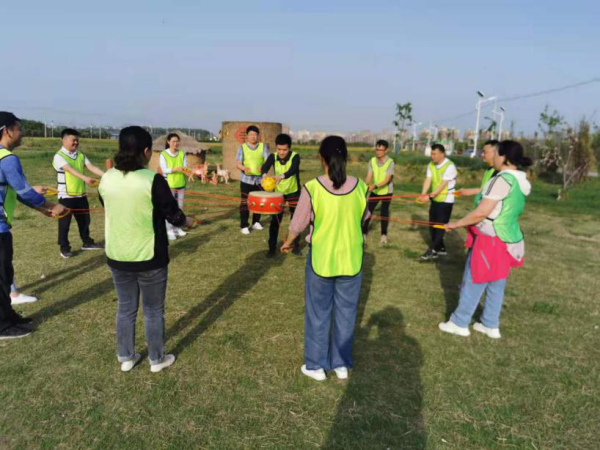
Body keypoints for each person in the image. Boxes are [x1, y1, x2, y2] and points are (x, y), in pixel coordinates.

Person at [98, 126, 194, 373]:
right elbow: (173, 214)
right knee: (152, 311)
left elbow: (107, 203)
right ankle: (156, 359)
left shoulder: (107, 178)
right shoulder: (153, 180)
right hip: (150, 258)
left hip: (118, 256)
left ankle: (126, 357)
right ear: (145, 151)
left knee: (125, 308)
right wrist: (188, 222)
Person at [281, 136, 368, 381]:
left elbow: (297, 224)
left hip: (321, 260)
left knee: (318, 313)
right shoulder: (361, 186)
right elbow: (364, 217)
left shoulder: (312, 187)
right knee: (346, 313)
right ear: (346, 157)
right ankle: (341, 364)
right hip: (351, 260)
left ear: (321, 158)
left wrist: (288, 242)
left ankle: (315, 365)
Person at [439, 140, 532, 339]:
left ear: (504, 157)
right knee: (496, 283)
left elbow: (482, 212)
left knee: (474, 280)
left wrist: (456, 223)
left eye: (497, 154)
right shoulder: (520, 180)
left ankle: (459, 322)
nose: (494, 157)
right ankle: (490, 324)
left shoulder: (502, 180)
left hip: (490, 239)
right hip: (507, 239)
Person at [0, 112, 66, 339]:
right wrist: (52, 205)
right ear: (7, 131)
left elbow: (16, 192)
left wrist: (42, 209)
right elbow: (25, 192)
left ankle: (8, 316)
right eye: (18, 129)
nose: (22, 133)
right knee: (2, 277)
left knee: (5, 274)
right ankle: (3, 326)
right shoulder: (7, 159)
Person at [53, 128, 104, 258]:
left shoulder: (80, 155)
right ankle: (64, 248)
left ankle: (87, 242)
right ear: (64, 140)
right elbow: (70, 170)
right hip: (66, 196)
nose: (76, 143)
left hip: (81, 195)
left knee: (85, 221)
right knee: (64, 223)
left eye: (77, 140)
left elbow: (91, 167)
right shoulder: (59, 156)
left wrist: (106, 175)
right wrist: (85, 178)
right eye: (73, 140)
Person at [260, 133, 301, 257]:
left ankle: (295, 246)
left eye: (285, 150)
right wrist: (264, 175)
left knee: (296, 221)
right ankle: (271, 248)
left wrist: (281, 176)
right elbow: (265, 167)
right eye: (279, 149)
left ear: (289, 148)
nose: (281, 152)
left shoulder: (295, 156)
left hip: (294, 192)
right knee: (275, 221)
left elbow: (293, 169)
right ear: (276, 147)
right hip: (278, 194)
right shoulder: (273, 156)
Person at [418, 143, 457, 260]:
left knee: (440, 225)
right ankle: (441, 248)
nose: (432, 156)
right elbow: (428, 179)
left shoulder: (450, 166)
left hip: (446, 200)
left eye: (434, 154)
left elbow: (442, 185)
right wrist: (423, 193)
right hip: (435, 198)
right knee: (432, 224)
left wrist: (429, 197)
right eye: (431, 153)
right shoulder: (431, 165)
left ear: (442, 154)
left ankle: (433, 250)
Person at [236, 125, 270, 235]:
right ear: (247, 136)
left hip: (260, 180)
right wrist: (243, 168)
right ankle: (244, 225)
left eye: (255, 134)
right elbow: (238, 163)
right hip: (246, 180)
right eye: (250, 134)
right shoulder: (242, 147)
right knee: (244, 202)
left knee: (259, 202)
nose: (253, 136)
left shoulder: (263, 146)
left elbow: (268, 161)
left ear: (258, 136)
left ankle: (256, 222)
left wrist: (264, 167)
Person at [361, 139, 394, 244]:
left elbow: (387, 180)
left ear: (386, 151)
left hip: (387, 191)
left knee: (384, 213)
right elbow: (369, 176)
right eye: (377, 149)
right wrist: (365, 187)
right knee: (368, 211)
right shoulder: (372, 161)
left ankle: (383, 235)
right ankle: (363, 233)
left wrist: (374, 186)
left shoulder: (390, 162)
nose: (378, 152)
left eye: (380, 150)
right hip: (376, 191)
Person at [159, 133, 188, 241]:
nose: (176, 143)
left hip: (181, 184)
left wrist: (189, 171)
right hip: (169, 185)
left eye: (177, 141)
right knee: (170, 208)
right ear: (168, 142)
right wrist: (175, 169)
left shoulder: (182, 153)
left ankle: (178, 227)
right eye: (173, 141)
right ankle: (169, 230)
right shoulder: (163, 154)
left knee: (180, 207)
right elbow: (164, 169)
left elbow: (185, 167)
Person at [457, 140, 499, 207]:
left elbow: (492, 192)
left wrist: (472, 191)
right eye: (482, 152)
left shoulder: (499, 172)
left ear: (495, 153)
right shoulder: (488, 170)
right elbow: (485, 189)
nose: (482, 154)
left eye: (485, 152)